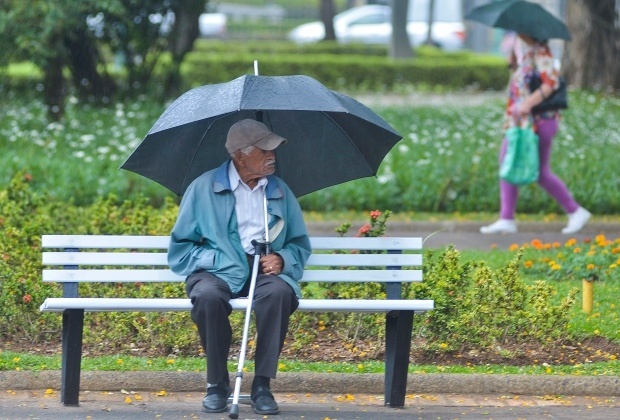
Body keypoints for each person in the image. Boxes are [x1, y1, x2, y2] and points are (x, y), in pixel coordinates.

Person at [167, 119, 312, 415]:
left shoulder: (279, 190)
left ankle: (262, 385)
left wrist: (282, 258)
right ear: (240, 155)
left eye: (273, 150)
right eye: (264, 151)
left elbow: (299, 242)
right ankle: (217, 384)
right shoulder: (203, 188)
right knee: (208, 297)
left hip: (263, 270)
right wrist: (220, 260)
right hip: (216, 270)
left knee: (279, 295)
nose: (272, 156)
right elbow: (181, 248)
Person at [480, 33, 591, 235]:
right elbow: (523, 85)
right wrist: (513, 64)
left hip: (539, 122)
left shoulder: (542, 54)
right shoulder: (526, 55)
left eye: (520, 29)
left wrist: (526, 105)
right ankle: (506, 218)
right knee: (508, 162)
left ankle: (575, 211)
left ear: (530, 32)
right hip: (521, 122)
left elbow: (551, 84)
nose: (516, 32)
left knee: (538, 171)